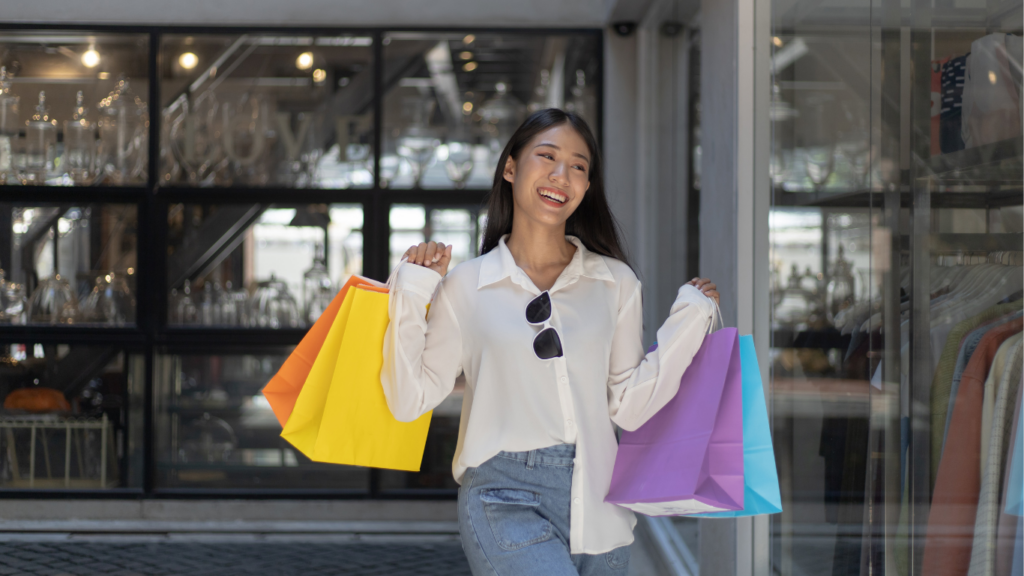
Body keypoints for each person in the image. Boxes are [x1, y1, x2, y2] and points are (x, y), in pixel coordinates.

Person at [381, 108, 720, 576]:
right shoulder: (465, 286)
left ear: (586, 187)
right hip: (503, 497)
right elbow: (407, 399)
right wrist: (413, 291)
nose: (562, 175)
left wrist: (689, 321)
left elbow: (629, 405)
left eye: (579, 166)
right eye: (547, 156)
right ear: (511, 167)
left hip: (601, 506)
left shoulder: (615, 282)